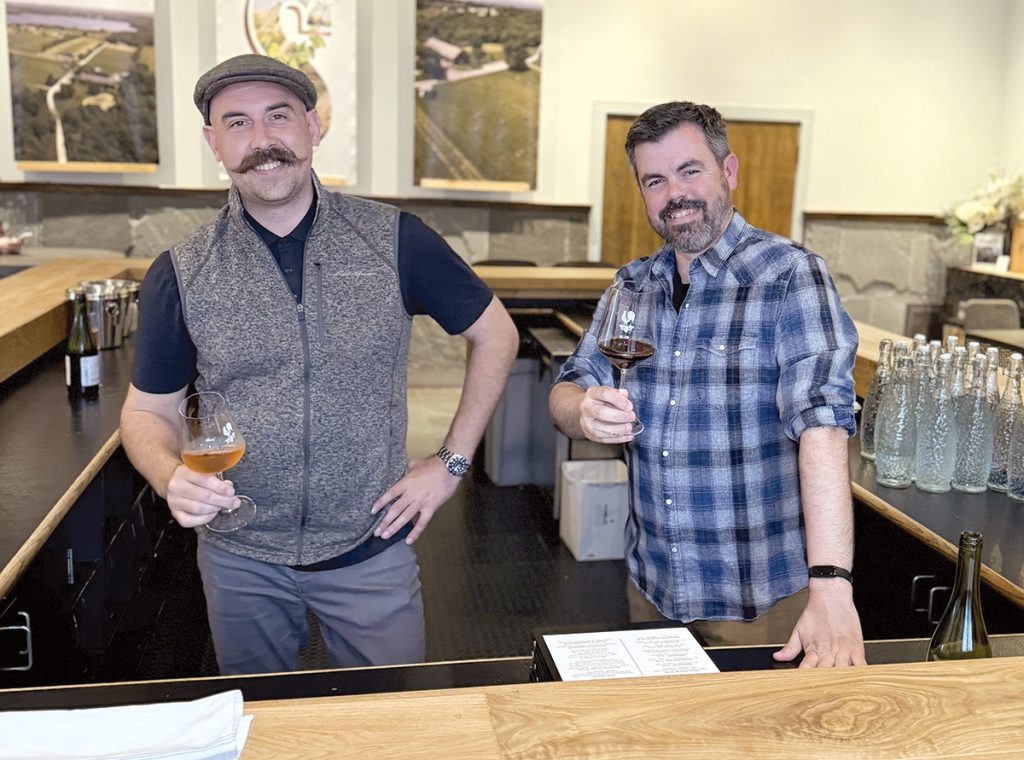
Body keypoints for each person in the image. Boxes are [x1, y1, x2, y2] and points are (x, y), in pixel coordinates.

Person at [120, 55, 519, 675]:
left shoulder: (395, 240)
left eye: (278, 117)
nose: (263, 141)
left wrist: (450, 463)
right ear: (214, 143)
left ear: (311, 125)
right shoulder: (181, 271)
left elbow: (496, 335)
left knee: (391, 726)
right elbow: (148, 410)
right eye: (238, 123)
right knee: (264, 726)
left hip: (372, 548)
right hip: (239, 556)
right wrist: (170, 476)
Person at [549, 101, 866, 668]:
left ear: (729, 172)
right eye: (655, 180)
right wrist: (582, 410)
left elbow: (823, 426)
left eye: (690, 170)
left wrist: (831, 585)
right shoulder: (633, 285)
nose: (675, 194)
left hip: (759, 606)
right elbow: (568, 387)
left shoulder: (789, 276)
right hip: (651, 590)